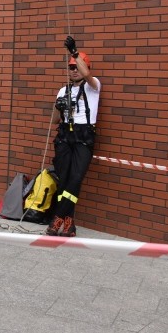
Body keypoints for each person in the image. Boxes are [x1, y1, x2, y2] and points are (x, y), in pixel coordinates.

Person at [46, 36, 101, 237]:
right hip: (64, 137)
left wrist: (74, 51)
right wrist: (58, 107)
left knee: (76, 179)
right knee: (64, 180)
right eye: (71, 67)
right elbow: (54, 121)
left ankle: (58, 217)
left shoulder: (93, 86)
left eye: (77, 66)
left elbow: (87, 75)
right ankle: (69, 223)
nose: (74, 70)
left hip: (83, 136)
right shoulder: (63, 90)